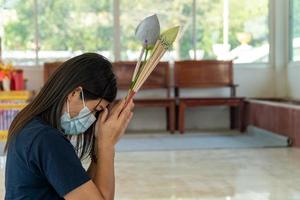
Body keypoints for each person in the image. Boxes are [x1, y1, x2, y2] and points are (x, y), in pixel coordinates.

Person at [4, 52, 134, 200]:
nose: (93, 119)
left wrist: (99, 144)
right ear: (74, 93)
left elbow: (84, 188)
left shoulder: (31, 123)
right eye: (96, 110)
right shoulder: (47, 140)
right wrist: (107, 145)